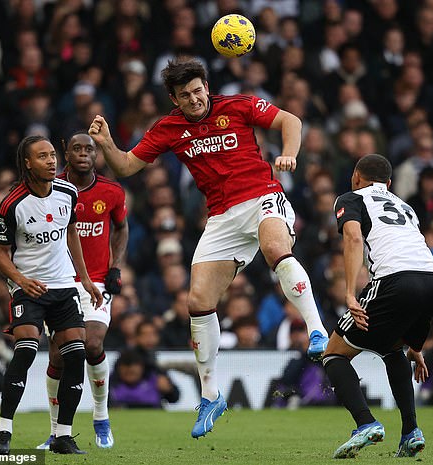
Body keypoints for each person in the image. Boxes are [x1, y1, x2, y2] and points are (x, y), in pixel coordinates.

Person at [88, 58, 330, 439]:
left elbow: (291, 121)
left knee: (274, 249)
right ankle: (211, 395)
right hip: (221, 218)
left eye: (198, 90)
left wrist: (290, 153)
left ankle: (317, 331)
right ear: (174, 99)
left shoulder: (237, 105)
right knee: (197, 300)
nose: (194, 99)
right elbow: (127, 166)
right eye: (185, 95)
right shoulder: (169, 128)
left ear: (206, 87)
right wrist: (106, 144)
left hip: (263, 196)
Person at [323, 154, 433, 459]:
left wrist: (350, 294)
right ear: (389, 183)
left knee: (334, 354)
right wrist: (415, 340)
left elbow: (352, 238)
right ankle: (410, 431)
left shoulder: (352, 197)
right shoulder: (406, 206)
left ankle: (366, 423)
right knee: (393, 348)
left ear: (355, 177)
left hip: (395, 280)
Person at [0, 135, 102, 455]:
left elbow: (70, 233)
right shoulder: (12, 204)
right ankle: (4, 430)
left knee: (76, 353)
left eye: (53, 155)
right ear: (28, 163)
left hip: (64, 286)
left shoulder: (68, 192)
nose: (52, 161)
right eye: (42, 156)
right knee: (26, 349)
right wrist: (21, 281)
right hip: (30, 289)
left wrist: (84, 279)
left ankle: (62, 436)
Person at [36, 132, 128, 450]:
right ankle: (55, 431)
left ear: (97, 153)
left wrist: (117, 267)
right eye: (76, 148)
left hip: (98, 280)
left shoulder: (112, 191)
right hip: (59, 281)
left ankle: (101, 416)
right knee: (58, 355)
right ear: (66, 152)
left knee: (91, 343)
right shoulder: (51, 189)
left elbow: (121, 227)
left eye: (89, 149)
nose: (83, 154)